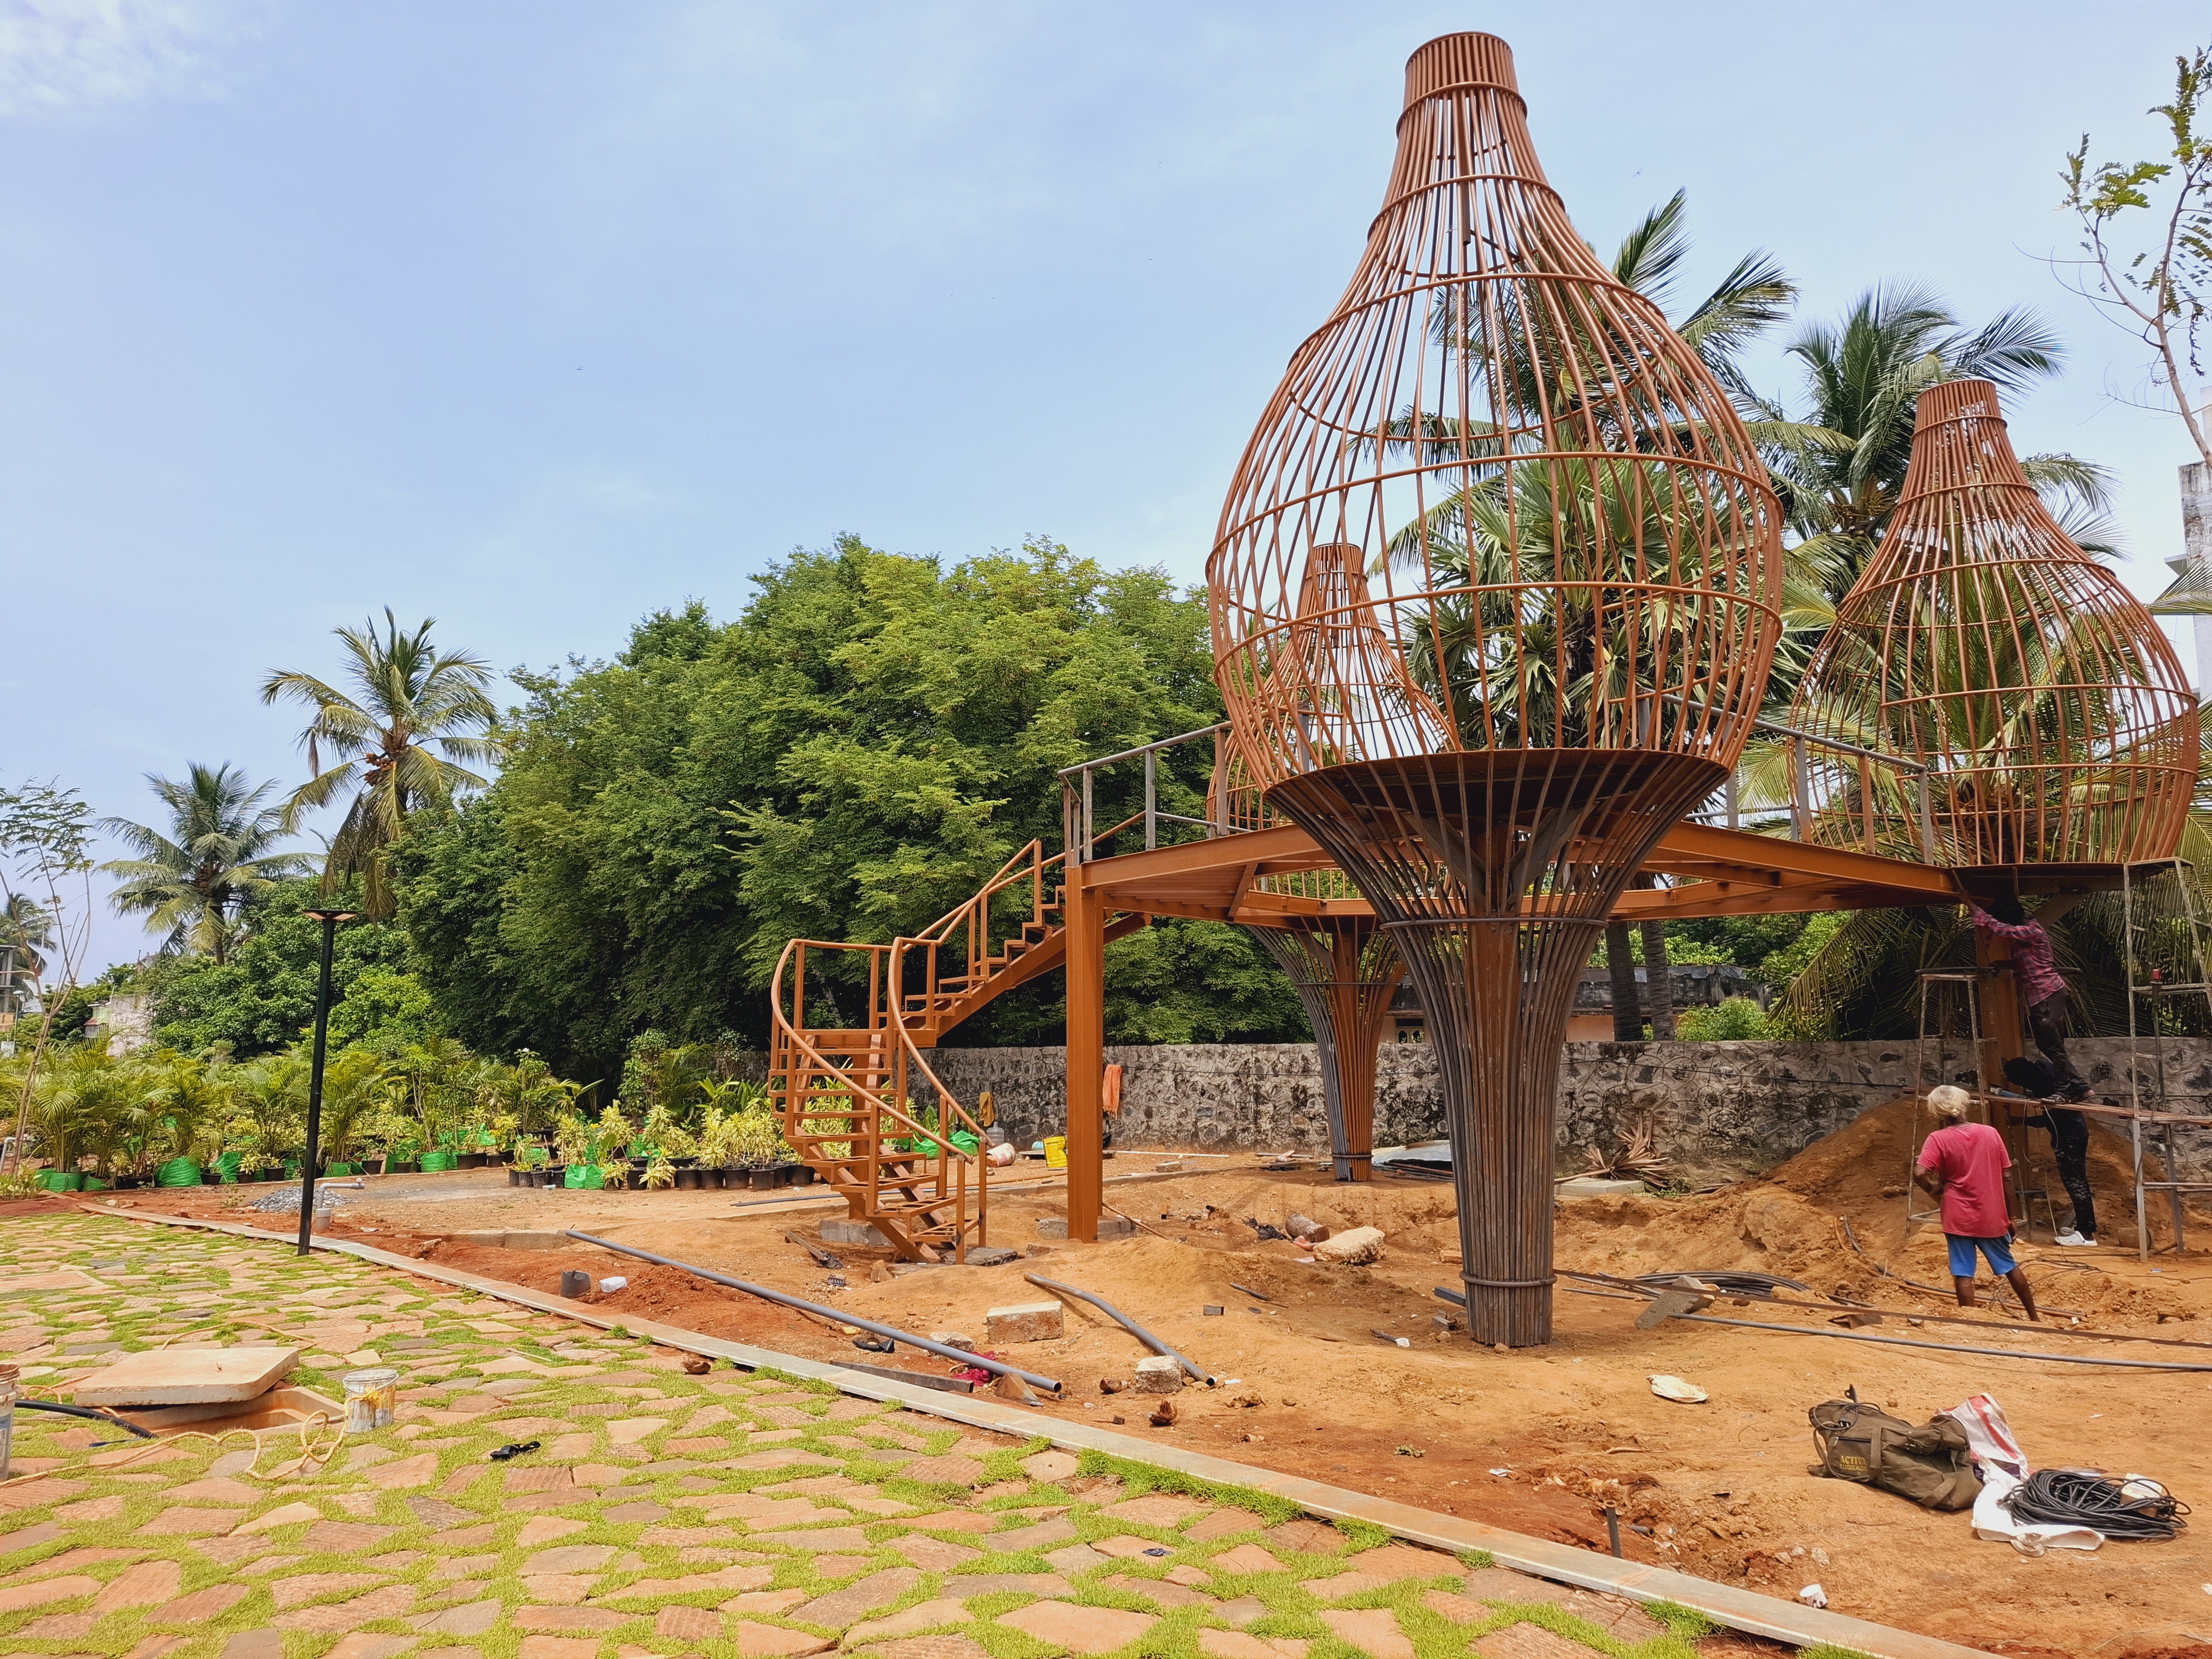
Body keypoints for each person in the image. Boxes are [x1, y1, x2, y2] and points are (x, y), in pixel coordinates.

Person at [1913, 1084, 2040, 1320]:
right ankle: (2035, 1318)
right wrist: (2011, 1217)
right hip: (1990, 1214)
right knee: (2009, 1265)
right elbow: (2007, 1178)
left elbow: (1919, 1172)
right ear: (1964, 1106)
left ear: (1936, 1112)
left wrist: (1933, 1190)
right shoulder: (1990, 1133)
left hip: (1957, 1215)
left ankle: (1969, 1322)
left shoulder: (1937, 1139)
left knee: (1963, 1271)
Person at [1968, 896, 2088, 1101]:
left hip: (2048, 994)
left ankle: (2063, 1091)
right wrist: (2004, 964)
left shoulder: (2032, 931)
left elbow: (2002, 930)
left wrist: (1974, 908)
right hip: (2039, 997)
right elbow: (2029, 962)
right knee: (2045, 1045)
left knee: (2053, 1046)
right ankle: (2081, 1086)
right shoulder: (2026, 935)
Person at [1999, 1056, 2098, 1248]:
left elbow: (2052, 1118)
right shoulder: (2044, 1070)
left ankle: (2086, 1234)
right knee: (2076, 1182)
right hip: (2072, 1133)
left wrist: (2021, 1120)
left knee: (2076, 1183)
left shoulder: (2047, 1085)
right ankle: (2083, 1227)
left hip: (2070, 1136)